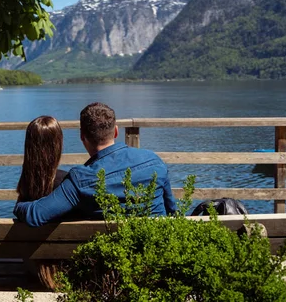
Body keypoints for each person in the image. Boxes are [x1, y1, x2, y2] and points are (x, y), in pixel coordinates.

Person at [14, 102, 177, 227]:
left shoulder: (80, 180)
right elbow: (172, 212)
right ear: (116, 131)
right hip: (155, 257)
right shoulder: (154, 161)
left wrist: (19, 205)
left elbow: (35, 215)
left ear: (82, 136)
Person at [16, 115, 66, 289]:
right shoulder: (67, 183)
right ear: (58, 145)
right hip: (62, 268)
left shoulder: (24, 185)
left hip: (32, 266)